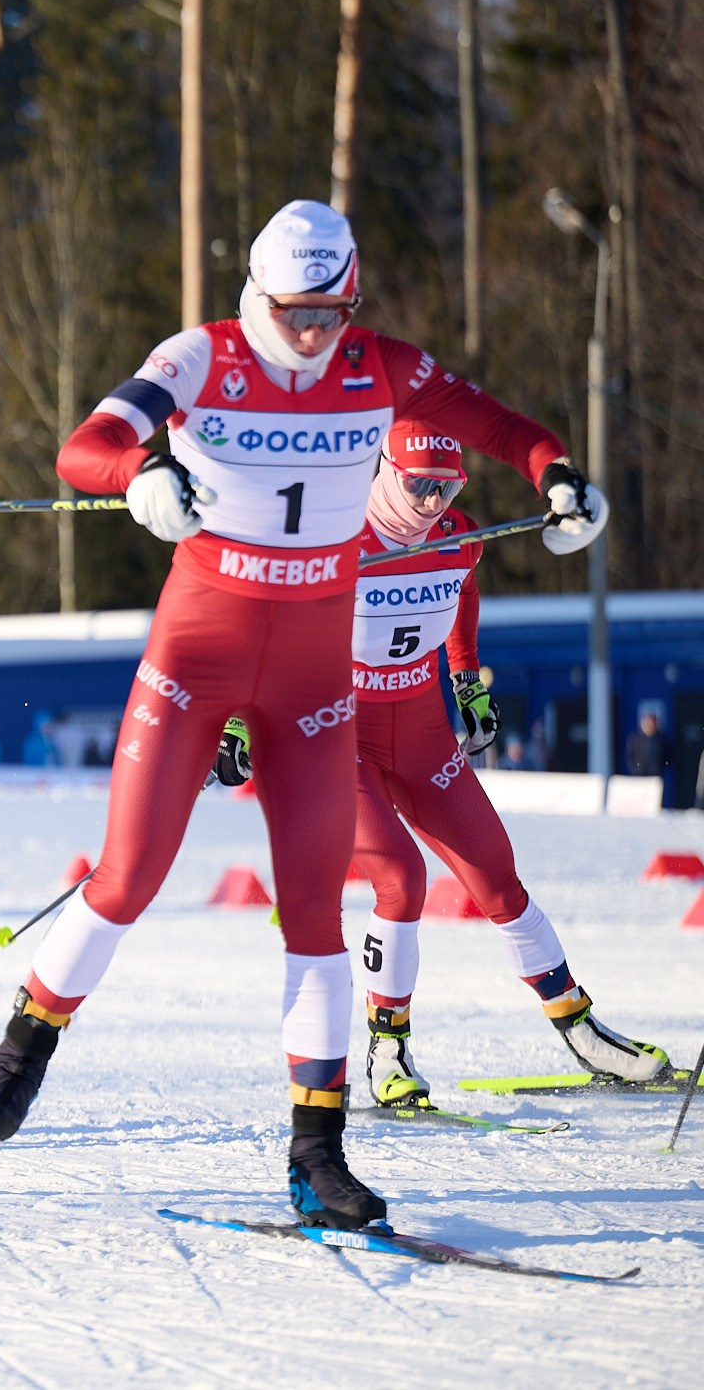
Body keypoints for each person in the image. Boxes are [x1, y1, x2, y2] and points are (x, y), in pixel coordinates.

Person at [0, 201, 597, 1230]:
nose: (313, 334)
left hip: (309, 674)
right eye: (295, 312)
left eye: (332, 311)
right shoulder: (197, 358)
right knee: (127, 877)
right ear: (258, 294)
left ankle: (318, 1154)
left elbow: (505, 429)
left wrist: (557, 476)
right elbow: (85, 447)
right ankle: (19, 1054)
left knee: (312, 912)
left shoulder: (379, 364)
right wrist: (141, 475)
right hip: (196, 653)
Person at [212, 421, 668, 1107]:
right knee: (399, 876)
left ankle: (580, 1027)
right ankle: (388, 1048)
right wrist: (242, 718)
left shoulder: (458, 534)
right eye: (419, 484)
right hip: (337, 732)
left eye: (445, 486)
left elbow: (462, 598)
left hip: (420, 728)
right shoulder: (337, 540)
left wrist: (468, 684)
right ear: (386, 472)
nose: (431, 502)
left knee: (496, 871)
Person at [625, 708, 668, 779]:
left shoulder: (661, 739)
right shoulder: (635, 739)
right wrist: (636, 769)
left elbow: (667, 756)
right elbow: (629, 756)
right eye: (647, 723)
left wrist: (660, 769)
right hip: (639, 776)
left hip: (655, 776)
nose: (649, 725)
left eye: (651, 723)